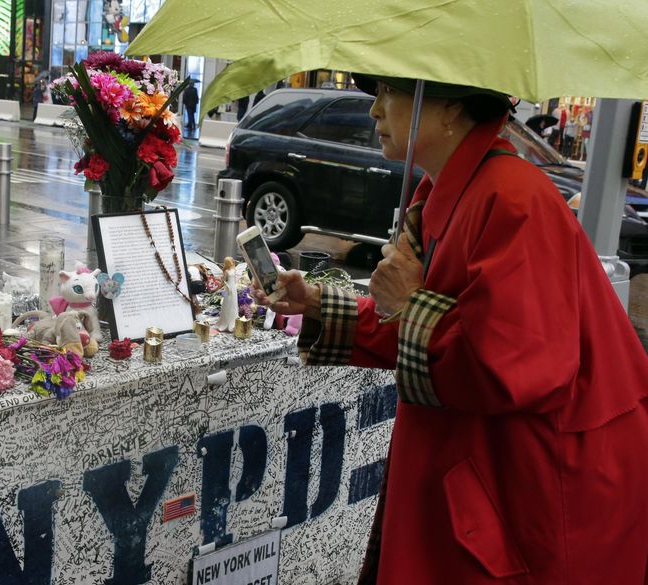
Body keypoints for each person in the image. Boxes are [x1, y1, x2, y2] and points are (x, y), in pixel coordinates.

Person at [253, 75, 648, 584]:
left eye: (389, 94)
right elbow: (422, 330)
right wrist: (318, 303)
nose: (374, 111)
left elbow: (513, 366)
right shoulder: (450, 189)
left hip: (530, 491)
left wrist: (410, 301)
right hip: (479, 475)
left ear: (451, 110)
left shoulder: (512, 198)